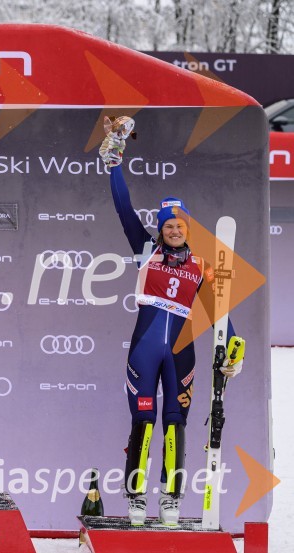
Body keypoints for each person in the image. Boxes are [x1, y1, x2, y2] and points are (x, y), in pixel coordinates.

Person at [101, 117, 246, 526]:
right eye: (169, 225)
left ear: (187, 229)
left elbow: (218, 313)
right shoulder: (145, 248)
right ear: (161, 230)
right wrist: (114, 161)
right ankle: (135, 500)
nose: (175, 230)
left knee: (174, 427)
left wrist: (233, 349)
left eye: (180, 225)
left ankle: (170, 500)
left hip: (182, 352)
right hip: (145, 349)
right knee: (143, 422)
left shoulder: (199, 266)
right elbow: (123, 207)